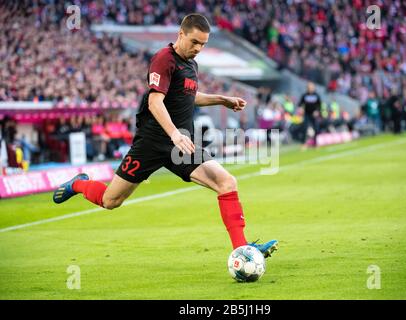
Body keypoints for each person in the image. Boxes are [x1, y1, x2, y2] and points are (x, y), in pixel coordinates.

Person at [52, 14, 278, 257]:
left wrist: (222, 100)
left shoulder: (192, 64)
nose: (198, 49)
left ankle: (242, 249)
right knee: (111, 201)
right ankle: (78, 183)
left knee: (226, 182)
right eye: (194, 42)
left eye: (203, 44)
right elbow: (154, 101)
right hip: (152, 143)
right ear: (181, 34)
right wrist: (173, 134)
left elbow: (189, 96)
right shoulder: (163, 59)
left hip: (180, 146)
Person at [297, 82, 321, 146]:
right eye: (309, 87)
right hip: (307, 114)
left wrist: (317, 111)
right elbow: (300, 104)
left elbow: (319, 105)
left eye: (312, 87)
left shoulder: (316, 95)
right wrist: (301, 108)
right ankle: (304, 143)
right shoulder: (304, 95)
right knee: (305, 127)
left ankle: (315, 143)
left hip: (314, 114)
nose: (311, 88)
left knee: (316, 128)